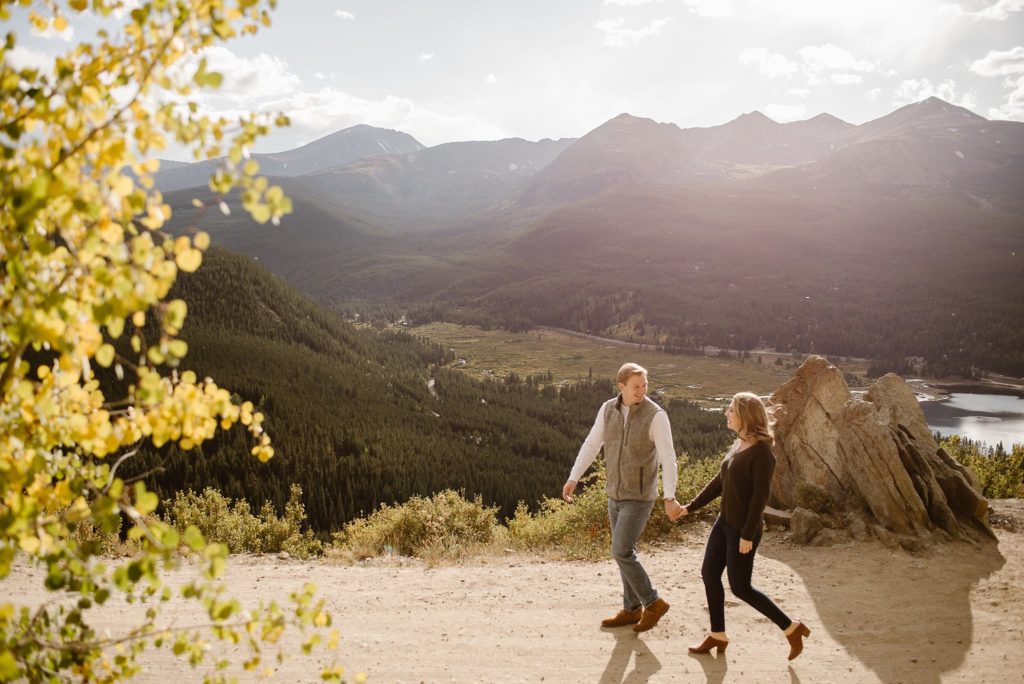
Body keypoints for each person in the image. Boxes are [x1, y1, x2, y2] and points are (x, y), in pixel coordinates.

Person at [671, 391, 810, 660]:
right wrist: (690, 507)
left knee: (741, 587)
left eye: (731, 410)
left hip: (743, 529)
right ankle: (717, 635)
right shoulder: (739, 444)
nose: (727, 414)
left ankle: (791, 628)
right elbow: (720, 481)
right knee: (710, 574)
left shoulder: (762, 453)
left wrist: (747, 534)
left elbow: (760, 498)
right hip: (724, 523)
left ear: (745, 416)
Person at [563, 362, 684, 633]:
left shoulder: (656, 416)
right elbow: (592, 444)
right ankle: (631, 610)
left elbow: (668, 457)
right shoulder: (608, 410)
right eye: (636, 386)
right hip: (614, 493)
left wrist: (670, 496)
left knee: (620, 550)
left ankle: (653, 602)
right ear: (622, 387)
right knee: (625, 553)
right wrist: (574, 477)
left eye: (645, 385)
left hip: (639, 497)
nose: (642, 391)